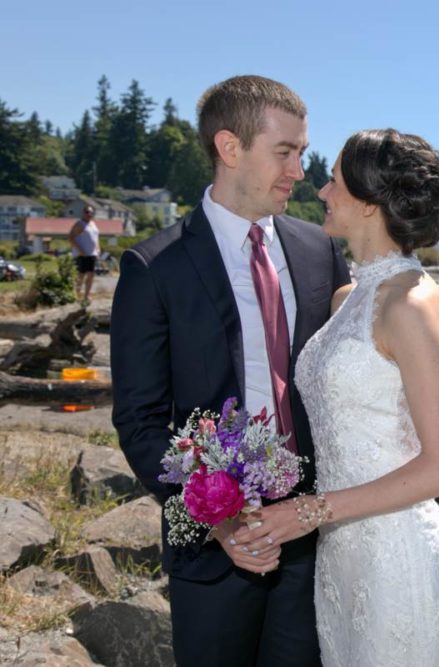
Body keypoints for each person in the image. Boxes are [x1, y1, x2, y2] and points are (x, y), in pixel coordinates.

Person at [111, 75, 351, 667]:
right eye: (285, 152)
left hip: (310, 533)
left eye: (301, 151)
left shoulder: (317, 251)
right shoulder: (153, 267)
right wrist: (219, 519)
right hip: (211, 546)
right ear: (230, 147)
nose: (300, 169)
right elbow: (140, 420)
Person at [242, 129, 439, 666]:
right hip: (342, 553)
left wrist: (310, 511)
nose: (321, 190)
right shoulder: (350, 296)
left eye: (336, 180)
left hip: (397, 557)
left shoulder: (410, 304)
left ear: (370, 204)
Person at [69, 205, 100, 304]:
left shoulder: (93, 224)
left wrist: (98, 249)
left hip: (92, 254)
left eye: (91, 212)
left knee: (91, 275)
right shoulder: (79, 224)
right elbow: (71, 238)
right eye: (87, 212)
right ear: (83, 213)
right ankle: (77, 295)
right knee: (81, 275)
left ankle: (86, 295)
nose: (89, 214)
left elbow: (96, 238)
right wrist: (80, 250)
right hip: (82, 254)